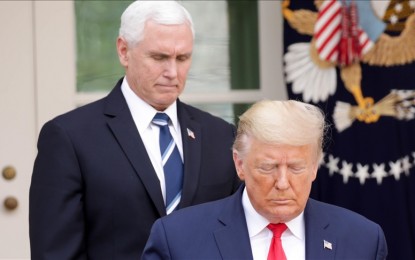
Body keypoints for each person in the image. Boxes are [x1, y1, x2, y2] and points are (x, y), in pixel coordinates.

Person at [29, 1, 240, 259]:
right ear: (124, 51)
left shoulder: (221, 136)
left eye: (182, 58)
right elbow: (55, 253)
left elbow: (237, 237)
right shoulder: (69, 137)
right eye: (159, 57)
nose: (172, 72)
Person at [142, 100, 388, 260]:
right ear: (240, 164)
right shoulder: (177, 239)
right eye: (268, 167)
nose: (282, 182)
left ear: (314, 167)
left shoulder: (363, 240)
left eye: (295, 167)